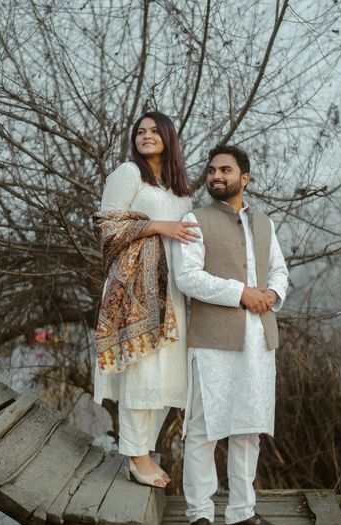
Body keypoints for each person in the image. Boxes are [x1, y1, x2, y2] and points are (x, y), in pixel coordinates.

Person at [172, 144, 289, 525]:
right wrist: (241, 292)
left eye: (225, 169)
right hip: (212, 341)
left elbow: (279, 270)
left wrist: (271, 295)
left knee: (249, 428)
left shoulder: (264, 223)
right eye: (211, 170)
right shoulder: (196, 219)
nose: (215, 176)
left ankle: (241, 512)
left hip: (260, 339)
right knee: (204, 429)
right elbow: (188, 277)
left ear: (245, 177)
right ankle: (200, 515)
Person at [93, 111, 199, 488]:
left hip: (175, 291)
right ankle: (136, 457)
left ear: (170, 137)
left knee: (169, 376)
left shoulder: (180, 189)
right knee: (143, 371)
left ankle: (144, 449)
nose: (147, 136)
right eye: (141, 131)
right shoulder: (128, 174)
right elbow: (106, 228)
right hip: (137, 291)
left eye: (155, 131)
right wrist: (156, 226)